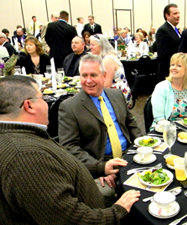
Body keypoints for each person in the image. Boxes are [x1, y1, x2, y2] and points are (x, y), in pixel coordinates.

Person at [0, 75, 141, 224]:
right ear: (29, 106)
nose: (46, 103)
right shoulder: (25, 156)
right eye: (42, 98)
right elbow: (70, 220)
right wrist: (118, 211)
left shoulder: (22, 138)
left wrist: (99, 168)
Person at [58, 54, 142, 204]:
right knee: (104, 194)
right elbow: (69, 147)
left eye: (93, 75)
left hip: (129, 155)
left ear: (104, 76)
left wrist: (142, 147)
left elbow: (131, 124)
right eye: (84, 75)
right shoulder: (69, 107)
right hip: (99, 161)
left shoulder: (116, 95)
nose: (88, 80)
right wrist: (99, 168)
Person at [151, 52, 187, 124]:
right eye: (172, 65)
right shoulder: (161, 88)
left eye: (179, 66)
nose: (173, 68)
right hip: (164, 129)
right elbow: (159, 118)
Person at [90, 34, 133, 107]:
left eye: (93, 45)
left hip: (117, 96)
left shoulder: (107, 60)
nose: (90, 47)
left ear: (101, 46)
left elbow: (106, 85)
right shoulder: (107, 57)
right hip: (116, 93)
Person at [156, 3, 181, 82]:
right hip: (168, 73)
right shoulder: (163, 30)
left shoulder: (174, 29)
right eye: (175, 13)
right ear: (167, 16)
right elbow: (163, 56)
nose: (178, 16)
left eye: (178, 13)